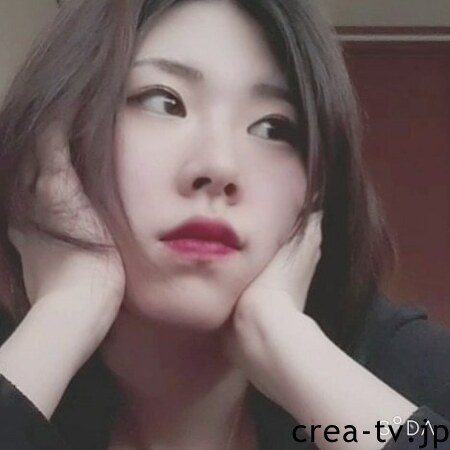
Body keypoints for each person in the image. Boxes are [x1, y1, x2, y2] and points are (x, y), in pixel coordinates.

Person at [0, 0, 449, 449]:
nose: (218, 166)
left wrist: (285, 343)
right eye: (163, 102)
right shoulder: (18, 361)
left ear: (317, 188)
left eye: (274, 128)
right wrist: (67, 312)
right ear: (55, 146)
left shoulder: (401, 369)